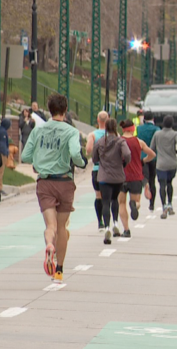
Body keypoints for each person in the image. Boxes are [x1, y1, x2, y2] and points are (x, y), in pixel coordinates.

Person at [21, 94, 87, 283]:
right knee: (62, 226)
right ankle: (59, 269)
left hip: (45, 182)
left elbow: (25, 156)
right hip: (64, 182)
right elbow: (75, 153)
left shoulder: (38, 130)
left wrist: (40, 160)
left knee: (50, 226)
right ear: (65, 111)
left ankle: (49, 244)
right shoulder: (71, 131)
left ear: (49, 110)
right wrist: (81, 162)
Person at [93, 119, 131, 244]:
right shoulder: (121, 142)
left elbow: (94, 158)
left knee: (105, 202)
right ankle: (115, 222)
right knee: (115, 200)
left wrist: (101, 162)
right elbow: (127, 154)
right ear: (115, 127)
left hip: (104, 177)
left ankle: (107, 227)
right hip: (118, 176)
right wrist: (123, 163)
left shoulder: (100, 142)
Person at [118, 120, 155, 236]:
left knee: (121, 203)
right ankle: (135, 206)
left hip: (121, 177)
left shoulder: (118, 142)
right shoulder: (139, 142)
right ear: (133, 129)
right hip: (136, 176)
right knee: (136, 201)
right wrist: (143, 161)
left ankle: (126, 229)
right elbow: (152, 154)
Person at [87, 112, 118, 230]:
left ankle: (100, 221)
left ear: (98, 120)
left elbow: (89, 149)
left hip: (97, 169)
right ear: (109, 120)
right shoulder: (115, 135)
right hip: (111, 169)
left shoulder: (93, 135)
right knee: (111, 197)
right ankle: (113, 221)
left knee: (98, 196)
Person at [150, 116, 177, 219]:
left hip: (161, 164)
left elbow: (152, 148)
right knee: (169, 183)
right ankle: (170, 203)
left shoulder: (157, 134)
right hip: (172, 163)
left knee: (162, 185)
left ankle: (163, 205)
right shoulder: (175, 134)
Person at [136, 110, 160, 210]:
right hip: (153, 156)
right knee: (152, 180)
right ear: (153, 119)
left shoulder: (139, 128)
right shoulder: (156, 129)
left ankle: (144, 185)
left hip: (141, 156)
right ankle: (151, 204)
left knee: (142, 176)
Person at [0, 118, 11, 194]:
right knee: (0, 171)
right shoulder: (3, 132)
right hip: (1, 154)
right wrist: (5, 153)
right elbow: (2, 144)